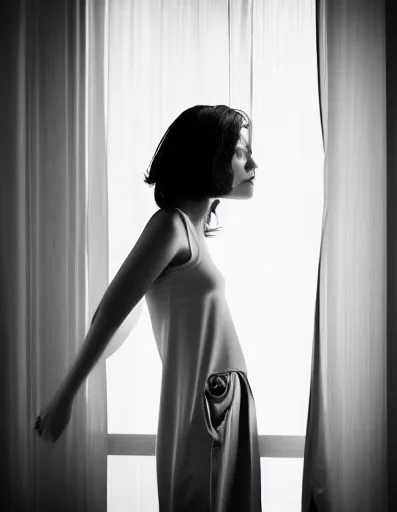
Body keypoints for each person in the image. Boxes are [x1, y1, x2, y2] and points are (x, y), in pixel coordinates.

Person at [34, 105, 259, 510]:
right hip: (209, 403)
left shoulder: (191, 233)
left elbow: (128, 312)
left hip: (226, 400)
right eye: (241, 151)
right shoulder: (171, 226)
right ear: (208, 155)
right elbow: (111, 313)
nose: (253, 162)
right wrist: (65, 397)